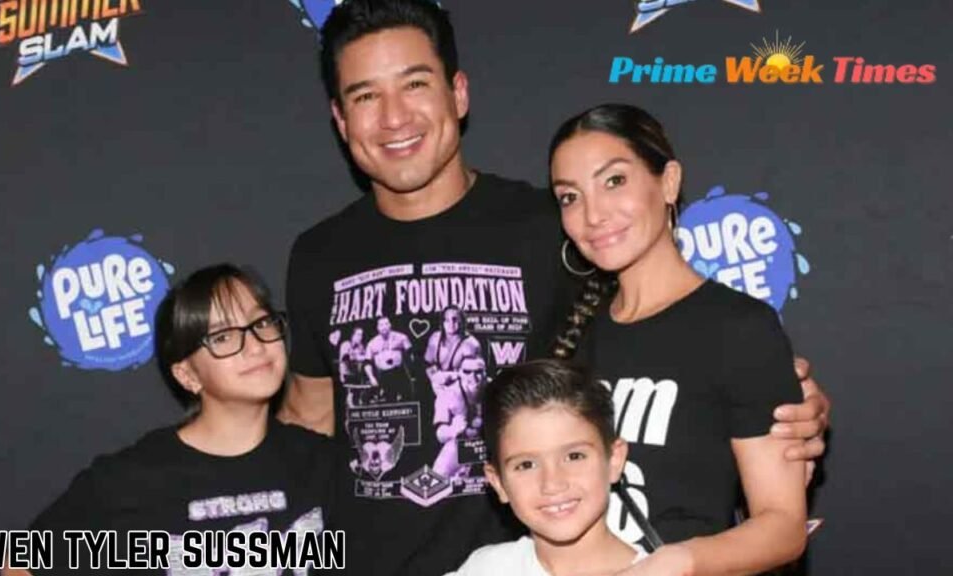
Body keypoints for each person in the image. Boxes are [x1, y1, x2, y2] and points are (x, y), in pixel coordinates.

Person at [278, 1, 829, 574]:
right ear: (340, 119)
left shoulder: (558, 230)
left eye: (414, 84)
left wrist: (780, 396)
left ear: (458, 94)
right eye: (366, 96)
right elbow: (306, 426)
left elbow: (679, 340)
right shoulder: (319, 255)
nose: (394, 117)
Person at [549, 103, 808, 574]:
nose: (593, 214)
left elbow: (783, 525)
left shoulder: (738, 328)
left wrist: (679, 561)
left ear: (668, 182)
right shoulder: (570, 337)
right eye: (570, 196)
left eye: (614, 181)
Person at [2, 264, 336, 575]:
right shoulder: (133, 478)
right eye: (223, 336)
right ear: (187, 375)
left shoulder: (324, 462)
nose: (254, 346)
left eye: (261, 323)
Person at [448, 359, 644, 575]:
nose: (552, 484)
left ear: (614, 459)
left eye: (574, 456)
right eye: (526, 465)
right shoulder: (486, 568)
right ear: (498, 483)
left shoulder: (663, 570)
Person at [432, 354, 486, 478]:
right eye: (467, 372)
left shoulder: (496, 389)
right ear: (459, 373)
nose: (473, 377)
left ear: (485, 373)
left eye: (478, 372)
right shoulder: (447, 394)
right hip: (459, 443)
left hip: (488, 444)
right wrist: (452, 430)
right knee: (438, 476)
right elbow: (440, 435)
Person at [425, 305, 482, 387]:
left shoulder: (471, 344)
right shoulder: (435, 338)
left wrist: (452, 377)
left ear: (462, 321)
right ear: (442, 323)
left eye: (455, 319)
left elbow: (474, 377)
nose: (451, 323)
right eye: (447, 320)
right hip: (437, 387)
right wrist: (435, 378)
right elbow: (427, 364)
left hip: (463, 388)